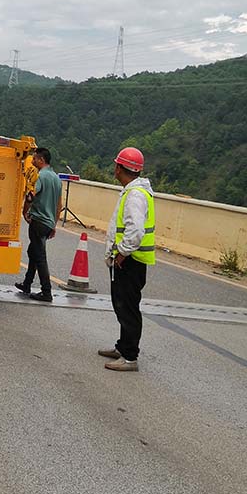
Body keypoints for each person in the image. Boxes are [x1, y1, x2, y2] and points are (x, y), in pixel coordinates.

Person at [101, 146, 155, 372]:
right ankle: (123, 347)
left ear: (119, 168)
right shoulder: (134, 192)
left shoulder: (135, 195)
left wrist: (122, 253)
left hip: (130, 260)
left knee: (128, 308)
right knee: (121, 305)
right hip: (129, 259)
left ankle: (130, 357)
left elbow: (136, 231)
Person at [15, 147, 62, 303]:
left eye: (35, 158)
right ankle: (27, 283)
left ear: (41, 160)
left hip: (38, 221)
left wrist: (24, 211)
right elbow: (59, 205)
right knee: (33, 251)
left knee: (40, 257)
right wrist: (54, 224)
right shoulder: (56, 178)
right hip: (48, 223)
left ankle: (46, 291)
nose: (33, 161)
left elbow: (31, 196)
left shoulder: (40, 176)